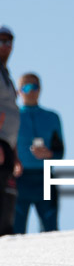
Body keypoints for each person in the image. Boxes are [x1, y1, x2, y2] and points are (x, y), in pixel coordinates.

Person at [14, 73, 64, 233]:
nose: (30, 91)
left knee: (51, 231)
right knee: (15, 233)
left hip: (45, 178)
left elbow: (60, 151)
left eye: (34, 87)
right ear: (18, 91)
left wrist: (49, 154)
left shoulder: (52, 117)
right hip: (19, 179)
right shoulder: (12, 117)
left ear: (40, 89)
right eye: (26, 87)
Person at [0, 25, 20, 236]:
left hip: (7, 143)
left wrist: (15, 153)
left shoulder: (5, 73)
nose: (5, 46)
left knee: (7, 195)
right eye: (1, 41)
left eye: (8, 41)